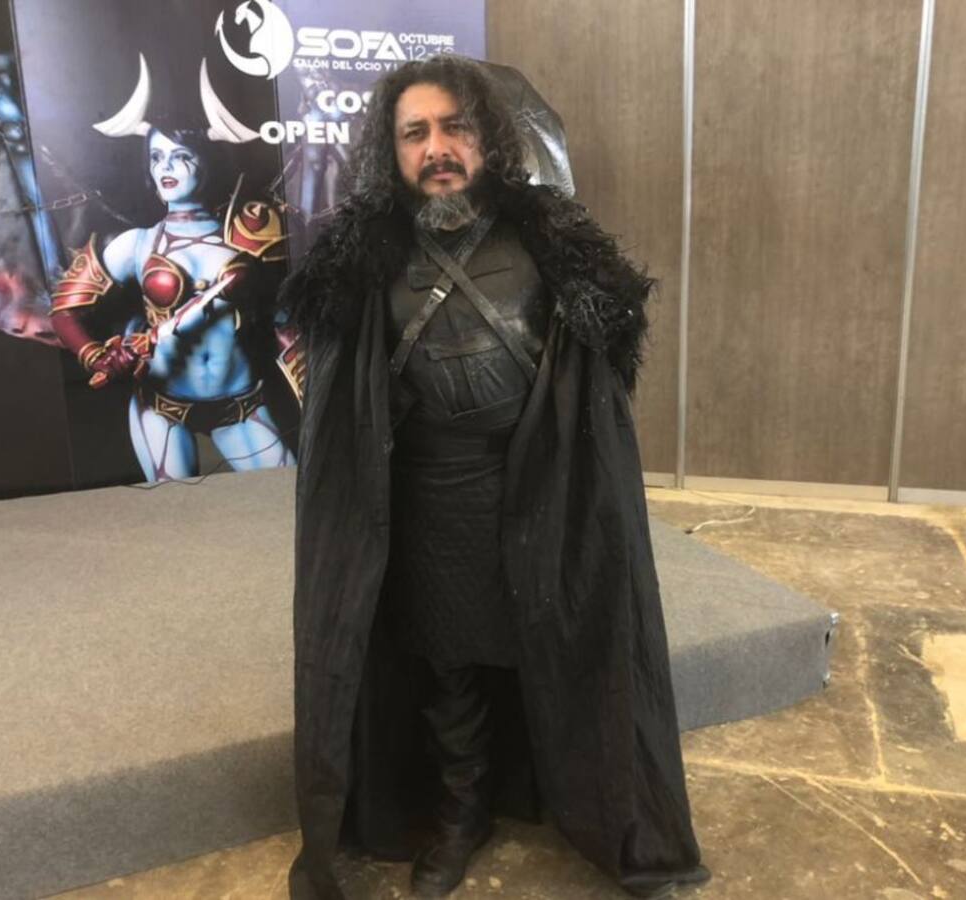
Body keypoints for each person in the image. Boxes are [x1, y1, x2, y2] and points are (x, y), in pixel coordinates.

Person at [280, 55, 710, 900]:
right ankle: (461, 812)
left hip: (549, 488)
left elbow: (595, 381)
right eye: (415, 132)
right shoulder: (360, 264)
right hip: (429, 498)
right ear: (391, 149)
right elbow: (343, 406)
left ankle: (604, 811)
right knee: (449, 664)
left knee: (570, 642)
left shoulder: (556, 245)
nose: (436, 148)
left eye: (455, 127)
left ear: (490, 138)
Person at [49, 57, 300, 481]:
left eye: (181, 156)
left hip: (241, 407)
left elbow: (283, 319)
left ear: (207, 161)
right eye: (157, 157)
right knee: (175, 513)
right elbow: (63, 311)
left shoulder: (248, 235)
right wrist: (96, 355)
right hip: (162, 409)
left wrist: (304, 369)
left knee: (282, 499)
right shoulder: (137, 244)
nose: (166, 167)